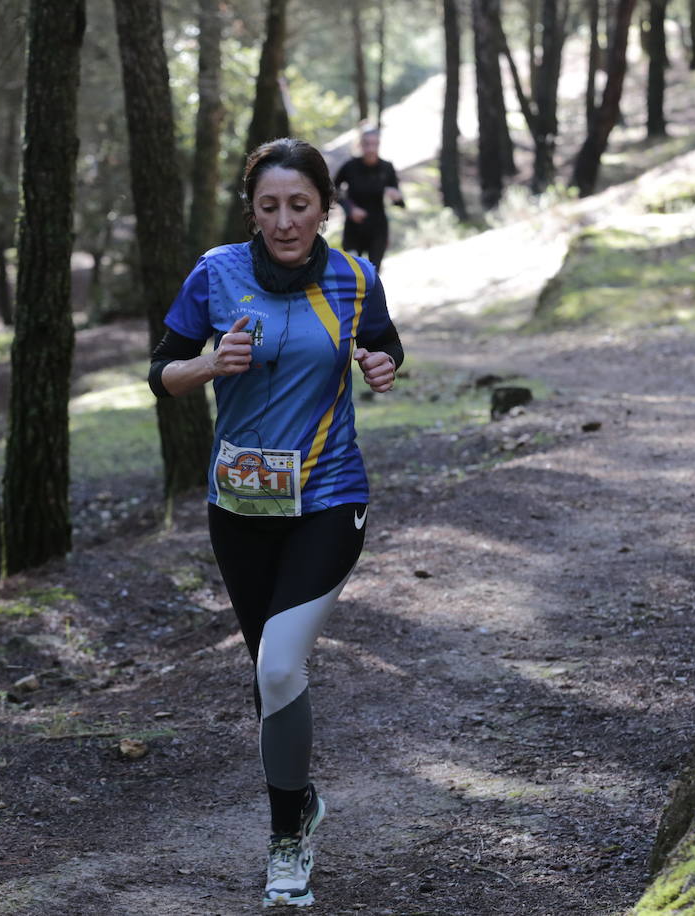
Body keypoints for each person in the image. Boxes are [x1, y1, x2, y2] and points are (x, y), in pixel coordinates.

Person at [147, 137, 404, 908]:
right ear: (251, 211)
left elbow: (384, 344)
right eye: (270, 207)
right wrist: (207, 367)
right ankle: (301, 801)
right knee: (270, 674)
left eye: (301, 205)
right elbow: (164, 372)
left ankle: (287, 841)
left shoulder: (355, 276)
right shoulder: (216, 273)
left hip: (329, 497)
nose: (286, 222)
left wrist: (385, 365)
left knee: (281, 666)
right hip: (242, 507)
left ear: (325, 205)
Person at [333, 127, 404, 271]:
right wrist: (349, 208)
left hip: (378, 228)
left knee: (373, 273)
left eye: (375, 144)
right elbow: (332, 190)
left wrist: (396, 197)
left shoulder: (387, 167)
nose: (371, 148)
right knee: (352, 273)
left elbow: (400, 203)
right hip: (353, 228)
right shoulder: (350, 166)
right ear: (360, 145)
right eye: (367, 144)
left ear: (379, 145)